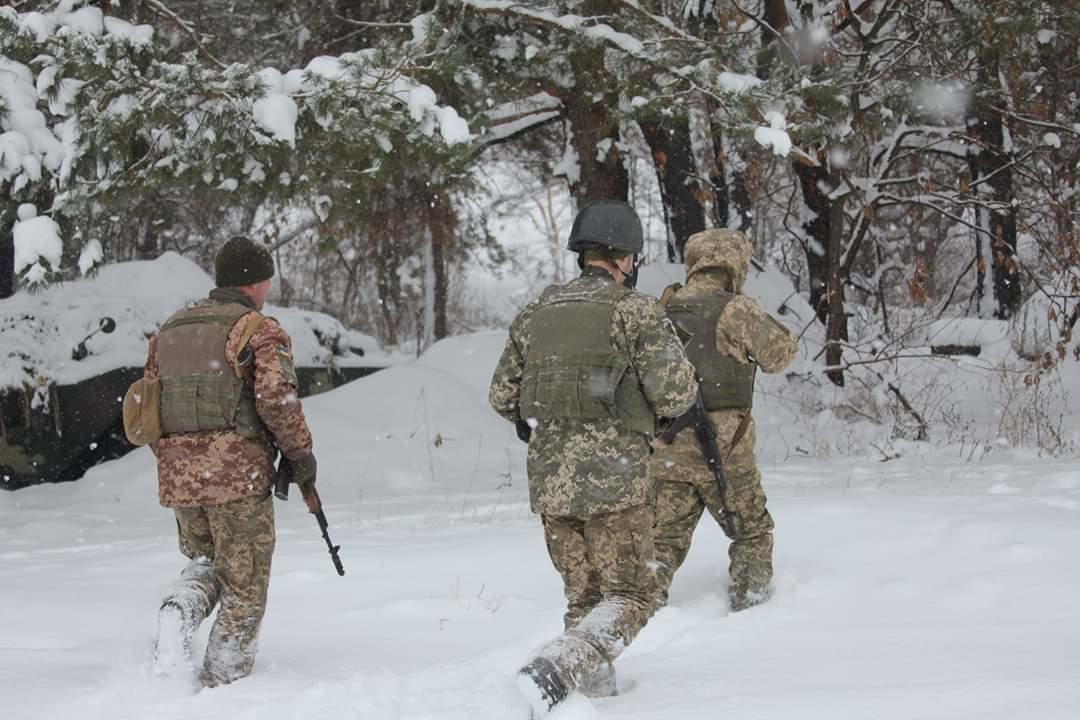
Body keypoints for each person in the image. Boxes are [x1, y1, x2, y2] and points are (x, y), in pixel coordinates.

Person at [488, 200, 698, 716]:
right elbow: (674, 395)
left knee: (584, 598)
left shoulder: (535, 312)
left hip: (552, 485)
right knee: (631, 595)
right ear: (625, 256)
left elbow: (501, 396)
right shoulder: (634, 310)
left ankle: (588, 698)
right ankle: (558, 667)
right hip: (617, 482)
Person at [144, 236, 317, 687]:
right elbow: (277, 401)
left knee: (204, 562)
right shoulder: (258, 329)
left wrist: (178, 457)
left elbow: (145, 408)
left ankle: (181, 609)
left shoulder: (170, 329)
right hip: (237, 478)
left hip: (180, 478)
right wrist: (300, 455)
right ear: (257, 283)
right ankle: (226, 685)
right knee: (245, 585)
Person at [650, 229, 797, 613]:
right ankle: (751, 612)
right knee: (751, 534)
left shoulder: (662, 306)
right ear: (735, 264)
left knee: (659, 546)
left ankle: (637, 615)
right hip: (726, 454)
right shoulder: (736, 309)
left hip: (666, 452)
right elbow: (782, 354)